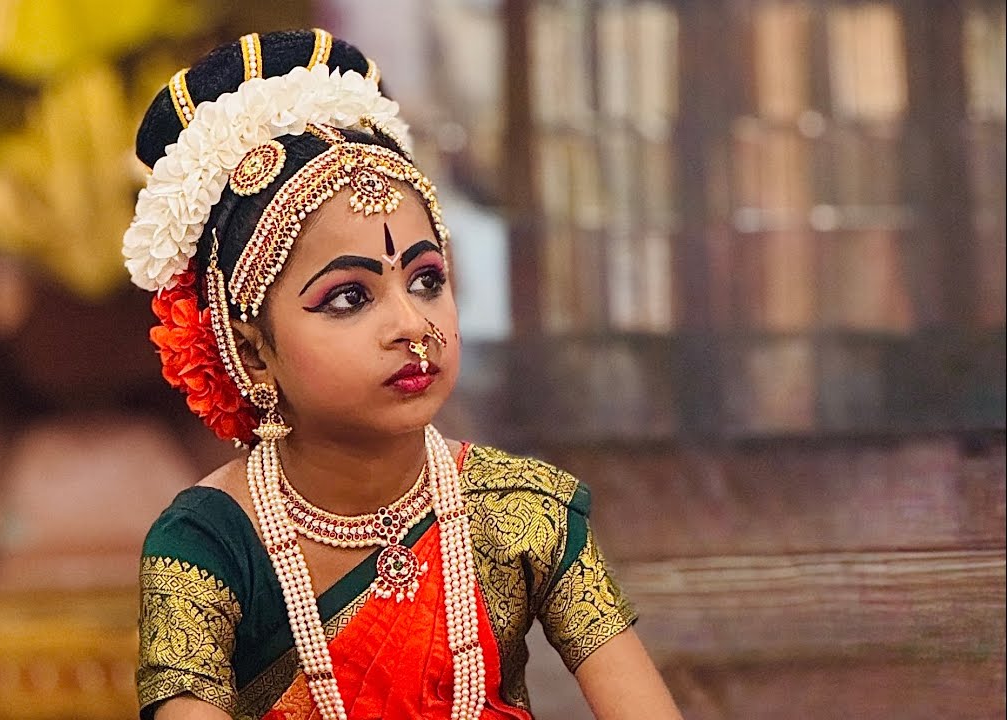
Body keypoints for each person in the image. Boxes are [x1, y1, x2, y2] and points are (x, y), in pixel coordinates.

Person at [125, 29, 682, 720]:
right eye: (349, 297)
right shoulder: (207, 547)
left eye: (426, 280)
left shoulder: (525, 514)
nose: (412, 325)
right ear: (252, 350)